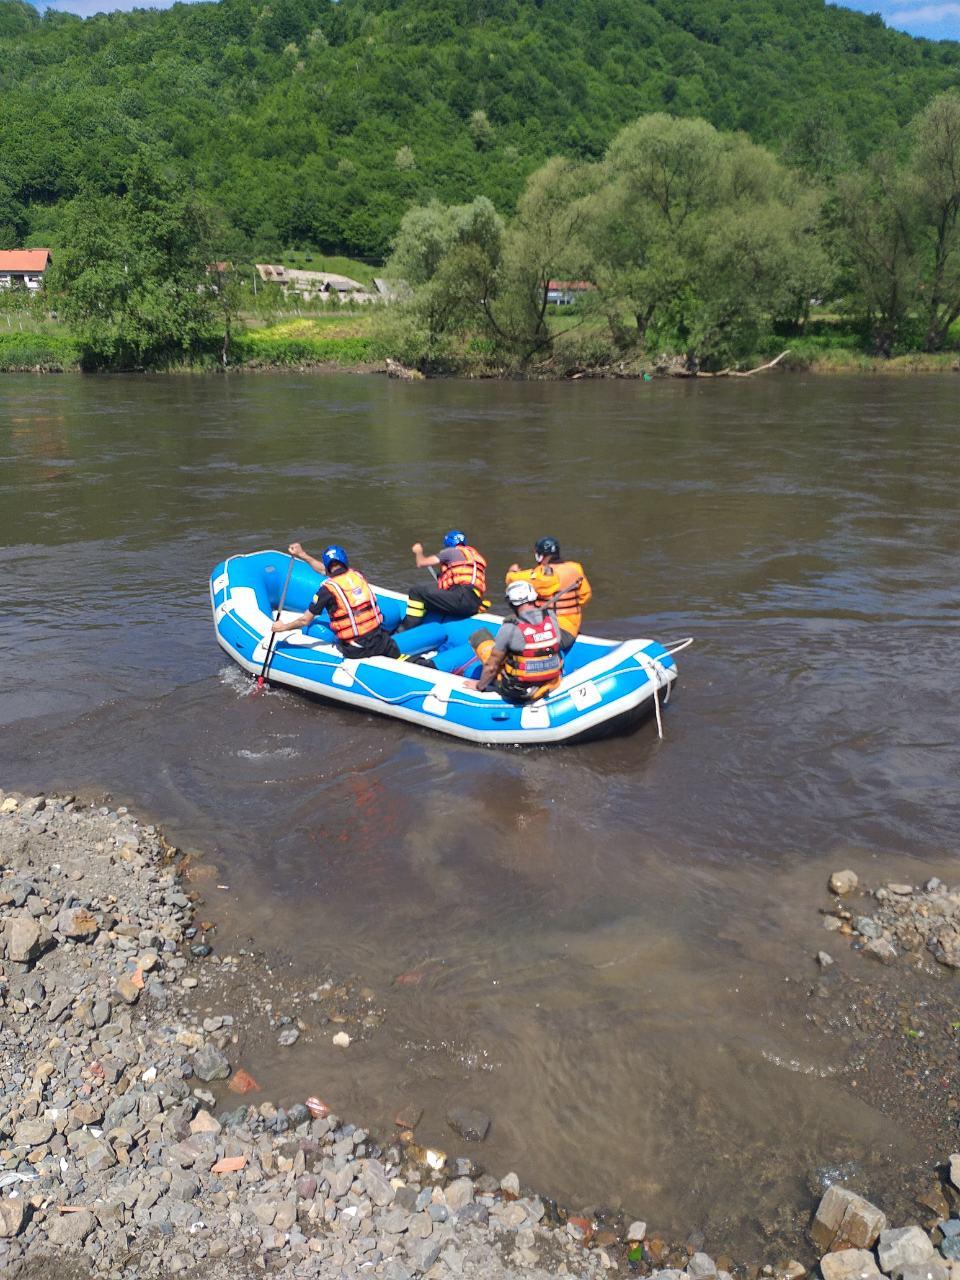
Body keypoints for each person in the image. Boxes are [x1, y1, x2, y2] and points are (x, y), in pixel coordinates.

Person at [270, 542, 401, 660]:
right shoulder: (357, 575)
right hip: (381, 640)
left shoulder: (327, 590)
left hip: (357, 648)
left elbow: (305, 620)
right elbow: (322, 569)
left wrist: (283, 627)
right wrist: (302, 555)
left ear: (328, 567)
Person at [465, 579, 563, 703]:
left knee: (481, 638)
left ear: (511, 604)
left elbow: (491, 667)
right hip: (551, 681)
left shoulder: (510, 628)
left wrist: (479, 686)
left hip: (520, 689)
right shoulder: (551, 617)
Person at [504, 536, 591, 651]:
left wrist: (512, 572)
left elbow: (512, 580)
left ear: (539, 556)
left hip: (554, 633)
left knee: (510, 637)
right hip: (572, 629)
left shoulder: (542, 575)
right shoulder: (575, 568)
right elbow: (585, 596)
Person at [397, 529, 488, 630]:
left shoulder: (450, 552)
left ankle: (405, 629)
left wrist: (418, 551)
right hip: (475, 603)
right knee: (434, 592)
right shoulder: (476, 557)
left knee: (416, 592)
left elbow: (421, 562)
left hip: (460, 599)